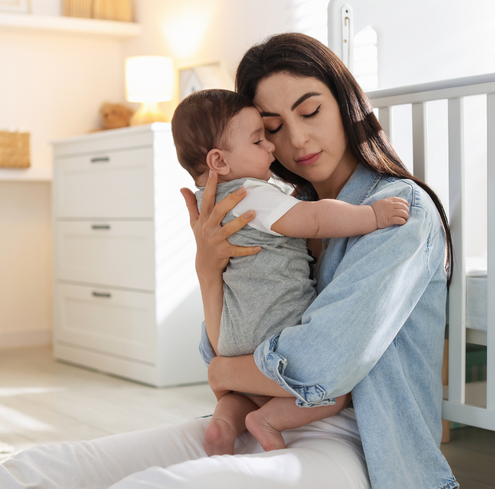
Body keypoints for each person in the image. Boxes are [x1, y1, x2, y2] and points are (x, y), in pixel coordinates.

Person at [0, 33, 458, 489]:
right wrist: (208, 271)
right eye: (272, 127)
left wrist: (225, 372)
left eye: (311, 110)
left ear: (345, 102)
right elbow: (223, 347)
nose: (294, 139)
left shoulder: (397, 212)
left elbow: (323, 364)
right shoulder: (275, 210)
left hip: (365, 445)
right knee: (36, 470)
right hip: (258, 415)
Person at [171, 88, 409, 456]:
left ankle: (223, 423)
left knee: (243, 397)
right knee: (334, 392)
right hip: (271, 324)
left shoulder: (211, 202)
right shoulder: (250, 193)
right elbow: (312, 219)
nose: (272, 147)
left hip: (231, 333)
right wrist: (372, 216)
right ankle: (267, 421)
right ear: (219, 160)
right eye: (259, 138)